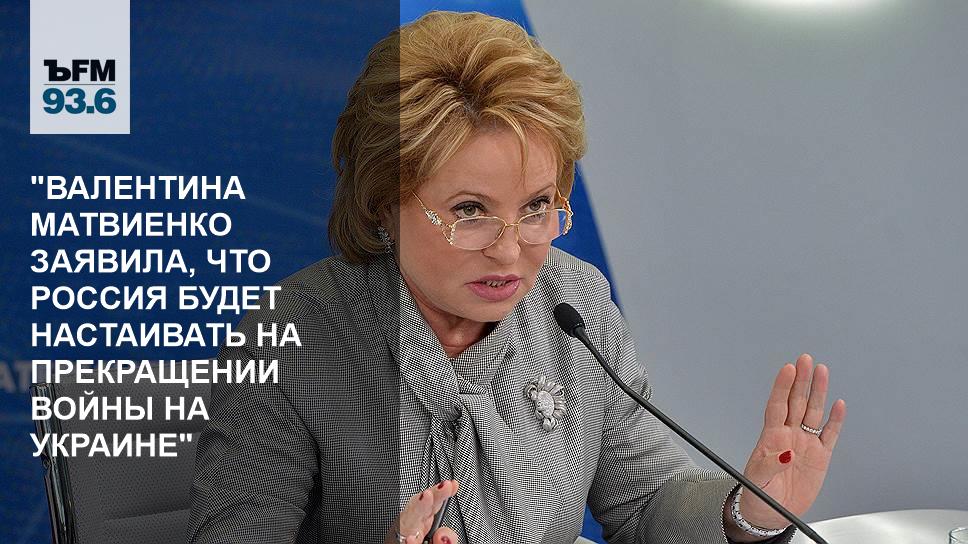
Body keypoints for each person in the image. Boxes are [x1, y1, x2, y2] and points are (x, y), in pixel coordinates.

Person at [187, 10, 846, 544]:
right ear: (384, 203)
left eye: (535, 207)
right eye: (470, 211)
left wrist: (748, 509)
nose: (511, 252)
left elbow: (645, 504)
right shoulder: (292, 335)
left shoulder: (573, 301)